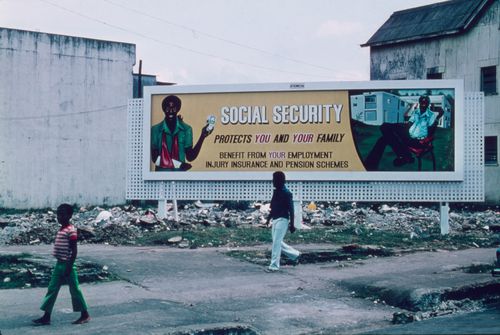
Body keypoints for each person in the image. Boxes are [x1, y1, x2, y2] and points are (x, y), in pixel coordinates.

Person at [32, 204, 90, 326]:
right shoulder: (61, 229)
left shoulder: (71, 230)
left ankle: (85, 315)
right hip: (59, 264)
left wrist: (69, 266)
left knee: (75, 290)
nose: (59, 216)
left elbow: (74, 251)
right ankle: (46, 316)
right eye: (58, 214)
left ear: (69, 215)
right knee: (52, 289)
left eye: (63, 214)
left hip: (68, 264)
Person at [364, 95, 443, 171]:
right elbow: (409, 124)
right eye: (421, 103)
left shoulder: (431, 115)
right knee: (385, 127)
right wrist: (399, 127)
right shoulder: (416, 112)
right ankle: (405, 155)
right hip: (408, 135)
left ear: (428, 104)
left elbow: (431, 131)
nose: (423, 105)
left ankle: (370, 165)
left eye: (425, 103)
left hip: (418, 141)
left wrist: (438, 117)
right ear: (419, 103)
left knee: (383, 139)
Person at [151, 95, 213, 171]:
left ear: (178, 109)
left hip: (180, 179)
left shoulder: (187, 129)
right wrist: (179, 164)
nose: (171, 111)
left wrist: (202, 136)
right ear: (163, 109)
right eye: (167, 108)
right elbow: (155, 159)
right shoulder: (155, 130)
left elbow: (190, 157)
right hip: (161, 179)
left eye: (173, 108)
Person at [265, 171, 300, 272]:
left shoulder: (287, 193)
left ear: (280, 181)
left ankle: (274, 266)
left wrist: (292, 224)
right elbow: (273, 207)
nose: (273, 182)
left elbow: (291, 210)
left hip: (283, 219)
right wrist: (268, 218)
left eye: (274, 180)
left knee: (276, 243)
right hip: (276, 219)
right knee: (277, 241)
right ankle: (295, 254)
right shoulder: (276, 192)